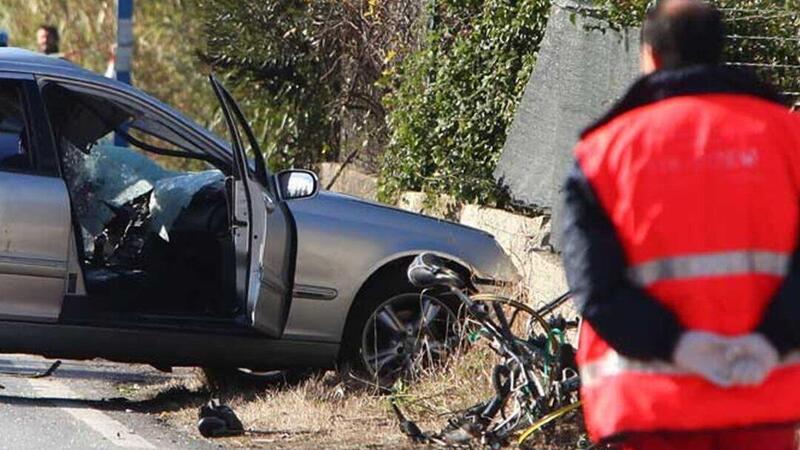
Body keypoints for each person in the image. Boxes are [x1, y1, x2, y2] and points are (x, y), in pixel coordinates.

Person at [560, 0, 800, 449]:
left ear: (649, 55)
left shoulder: (602, 154)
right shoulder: (789, 139)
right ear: (719, 51)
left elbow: (594, 287)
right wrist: (773, 339)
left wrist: (676, 344)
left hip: (652, 405)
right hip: (762, 399)